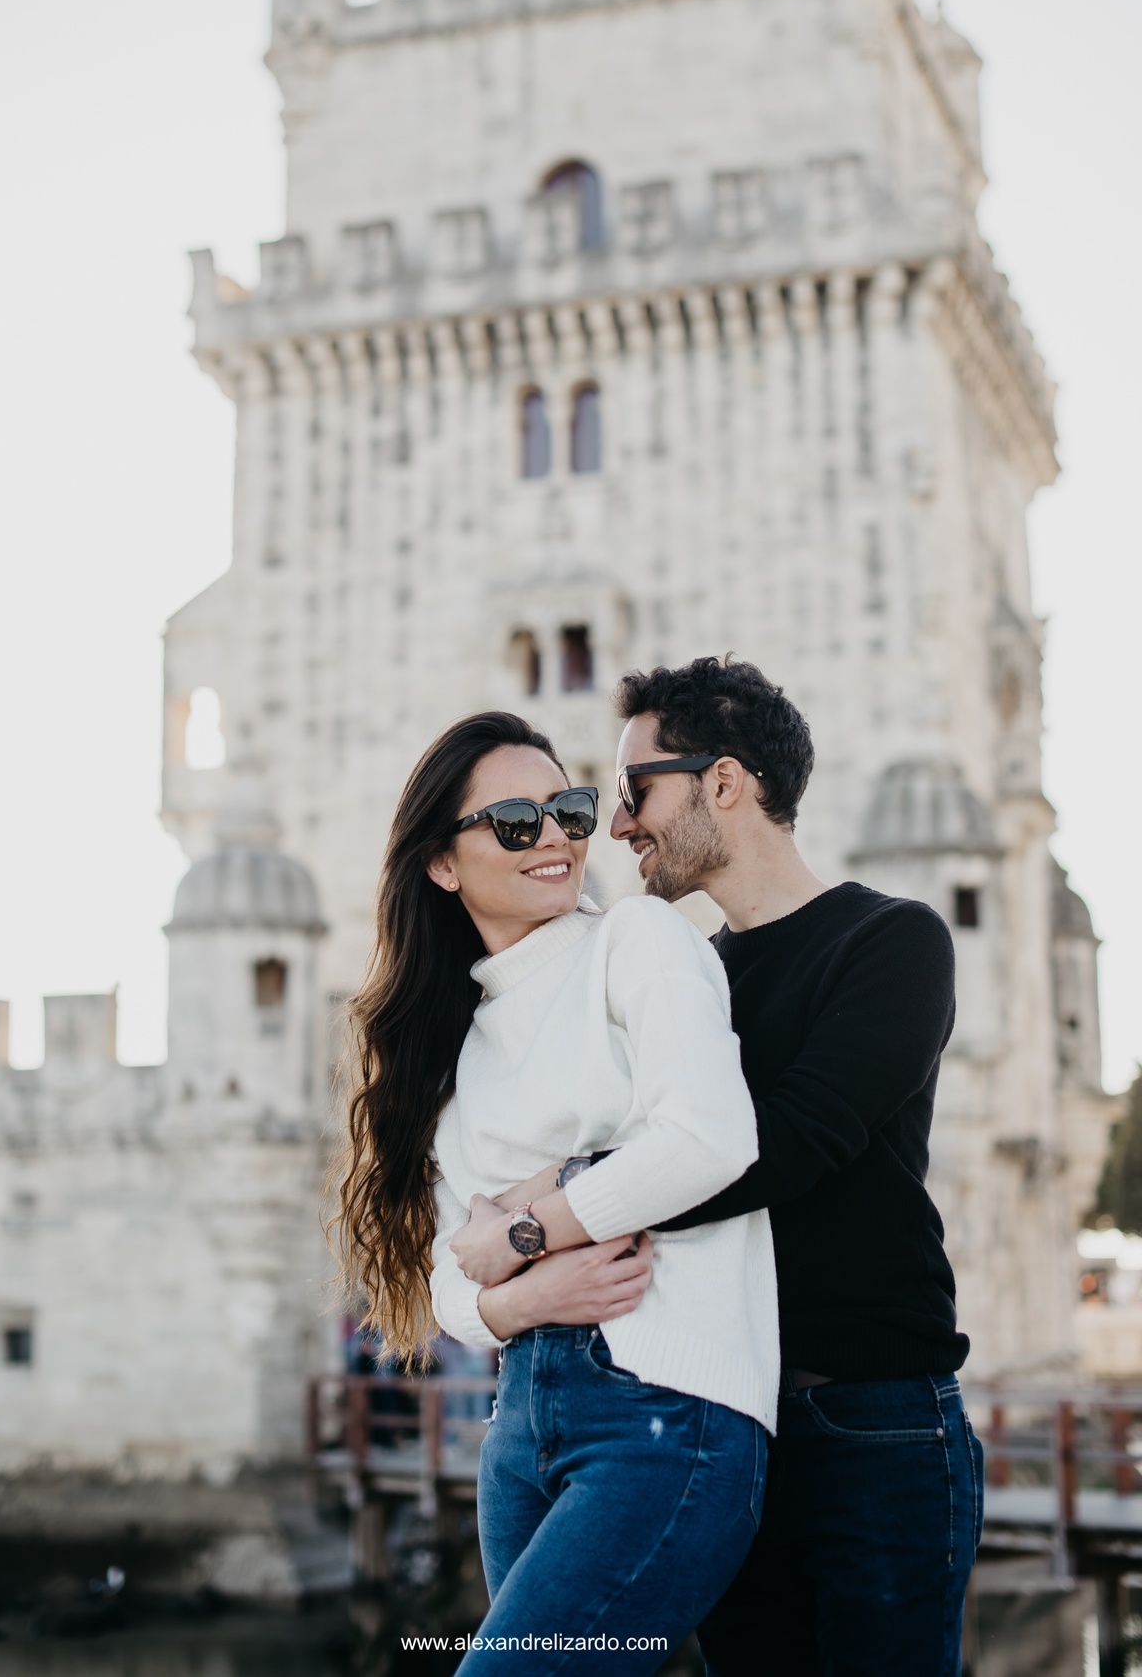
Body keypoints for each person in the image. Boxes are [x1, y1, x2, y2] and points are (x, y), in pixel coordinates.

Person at [328, 710, 779, 1674]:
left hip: (668, 1415)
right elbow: (451, 1282)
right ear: (442, 864)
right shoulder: (449, 1045)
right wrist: (521, 1295)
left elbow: (711, 1138)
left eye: (569, 810)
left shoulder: (638, 941)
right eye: (515, 822)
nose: (560, 839)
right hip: (520, 1429)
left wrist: (528, 1229)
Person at [602, 655, 983, 1675]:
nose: (616, 825)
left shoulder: (892, 942)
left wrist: (566, 1205)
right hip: (725, 1425)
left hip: (875, 1421)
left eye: (635, 791)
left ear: (723, 782)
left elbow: (789, 1144)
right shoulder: (691, 980)